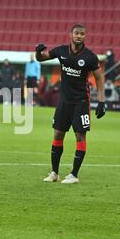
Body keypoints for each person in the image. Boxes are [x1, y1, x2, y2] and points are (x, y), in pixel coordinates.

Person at [35, 24, 106, 184]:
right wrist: (38, 51)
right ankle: (54, 173)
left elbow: (99, 77)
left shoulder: (90, 57)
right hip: (64, 101)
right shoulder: (61, 51)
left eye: (82, 34)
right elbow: (41, 58)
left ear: (85, 36)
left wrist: (101, 101)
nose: (79, 36)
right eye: (76, 33)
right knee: (58, 134)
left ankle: (74, 174)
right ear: (71, 35)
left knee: (80, 136)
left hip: (81, 102)